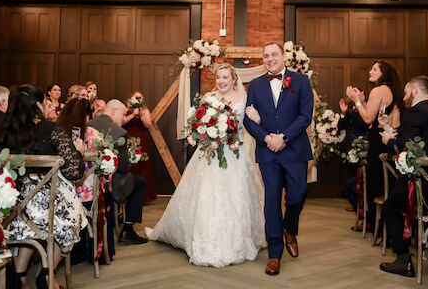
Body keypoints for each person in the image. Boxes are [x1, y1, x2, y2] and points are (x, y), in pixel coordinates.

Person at [147, 63, 265, 267]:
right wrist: (200, 134)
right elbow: (197, 124)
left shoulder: (243, 100)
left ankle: (235, 242)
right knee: (206, 196)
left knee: (235, 198)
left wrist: (258, 118)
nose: (221, 81)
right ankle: (201, 240)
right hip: (210, 155)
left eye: (225, 77)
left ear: (234, 79)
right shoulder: (208, 99)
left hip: (234, 154)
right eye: (218, 77)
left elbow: (251, 126)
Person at [0, 85, 86, 289]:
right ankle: (47, 276)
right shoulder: (51, 129)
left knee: (28, 225)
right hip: (46, 209)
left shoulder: (2, 133)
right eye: (45, 102)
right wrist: (78, 151)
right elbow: (74, 172)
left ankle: (20, 278)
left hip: (10, 206)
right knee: (74, 213)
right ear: (38, 105)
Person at [243, 43, 313, 276]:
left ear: (283, 57)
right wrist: (266, 138)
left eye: (274, 54)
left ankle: (290, 229)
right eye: (265, 55)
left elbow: (305, 116)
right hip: (267, 153)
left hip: (294, 150)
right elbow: (248, 120)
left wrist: (283, 138)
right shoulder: (255, 85)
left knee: (297, 195)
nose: (270, 58)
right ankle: (274, 254)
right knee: (271, 201)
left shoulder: (300, 81)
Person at [378, 76, 428, 277]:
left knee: (390, 209)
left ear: (415, 91)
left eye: (407, 91)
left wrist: (387, 142)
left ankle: (403, 260)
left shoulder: (415, 112)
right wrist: (389, 130)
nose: (404, 96)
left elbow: (406, 146)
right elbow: (417, 140)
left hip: (420, 178)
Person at [57, 99, 116, 264]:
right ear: (87, 116)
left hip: (62, 196)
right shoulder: (93, 134)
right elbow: (106, 164)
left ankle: (74, 254)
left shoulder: (58, 135)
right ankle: (102, 254)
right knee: (108, 199)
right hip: (89, 197)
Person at [346, 60, 404, 230]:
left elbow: (368, 119)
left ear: (383, 73)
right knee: (384, 184)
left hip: (378, 140)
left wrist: (356, 100)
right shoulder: (391, 90)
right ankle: (381, 226)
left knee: (374, 184)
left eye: (374, 69)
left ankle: (376, 225)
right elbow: (375, 113)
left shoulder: (378, 90)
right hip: (387, 137)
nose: (370, 72)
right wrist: (364, 102)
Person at [89, 99, 148, 245]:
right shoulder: (120, 132)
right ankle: (128, 227)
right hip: (109, 184)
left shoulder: (89, 125)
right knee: (140, 182)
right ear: (114, 111)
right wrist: (130, 158)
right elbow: (123, 167)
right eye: (123, 114)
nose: (124, 118)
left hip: (87, 182)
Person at [123, 91, 158, 203]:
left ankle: (143, 197)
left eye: (139, 97)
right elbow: (122, 122)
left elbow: (148, 124)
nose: (137, 99)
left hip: (141, 140)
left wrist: (142, 114)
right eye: (135, 97)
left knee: (142, 164)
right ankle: (128, 195)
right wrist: (133, 114)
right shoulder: (126, 109)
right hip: (129, 138)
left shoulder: (145, 110)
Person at [338, 93, 369, 213]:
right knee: (352, 179)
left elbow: (363, 124)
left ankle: (363, 209)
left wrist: (356, 108)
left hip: (361, 148)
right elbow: (341, 126)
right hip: (349, 149)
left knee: (360, 180)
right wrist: (344, 112)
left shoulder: (364, 110)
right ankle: (358, 206)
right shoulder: (350, 113)